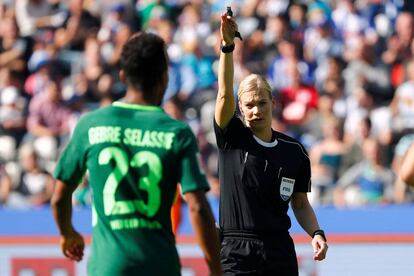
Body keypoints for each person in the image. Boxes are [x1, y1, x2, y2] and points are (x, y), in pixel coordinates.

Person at [51, 32, 222, 276]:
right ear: (164, 78)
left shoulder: (91, 125)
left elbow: (59, 197)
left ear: (122, 76)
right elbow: (198, 208)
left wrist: (67, 233)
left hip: (108, 267)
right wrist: (216, 270)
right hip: (159, 265)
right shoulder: (177, 132)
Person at [214, 12, 328, 275]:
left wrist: (316, 232)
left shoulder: (294, 151)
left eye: (262, 103)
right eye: (249, 105)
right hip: (236, 252)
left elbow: (300, 203)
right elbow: (223, 94)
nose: (256, 110)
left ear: (273, 104)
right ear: (240, 109)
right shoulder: (232, 138)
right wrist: (227, 47)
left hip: (279, 252)